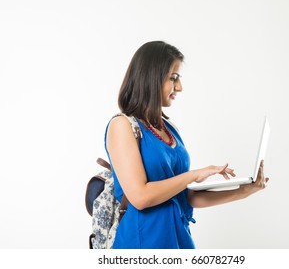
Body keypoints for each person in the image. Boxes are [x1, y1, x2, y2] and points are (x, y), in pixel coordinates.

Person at [104, 41, 269, 249]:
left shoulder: (170, 129)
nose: (179, 87)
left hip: (178, 240)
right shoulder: (122, 126)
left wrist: (245, 190)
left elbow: (187, 197)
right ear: (151, 77)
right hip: (143, 244)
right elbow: (140, 197)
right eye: (173, 78)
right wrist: (193, 175)